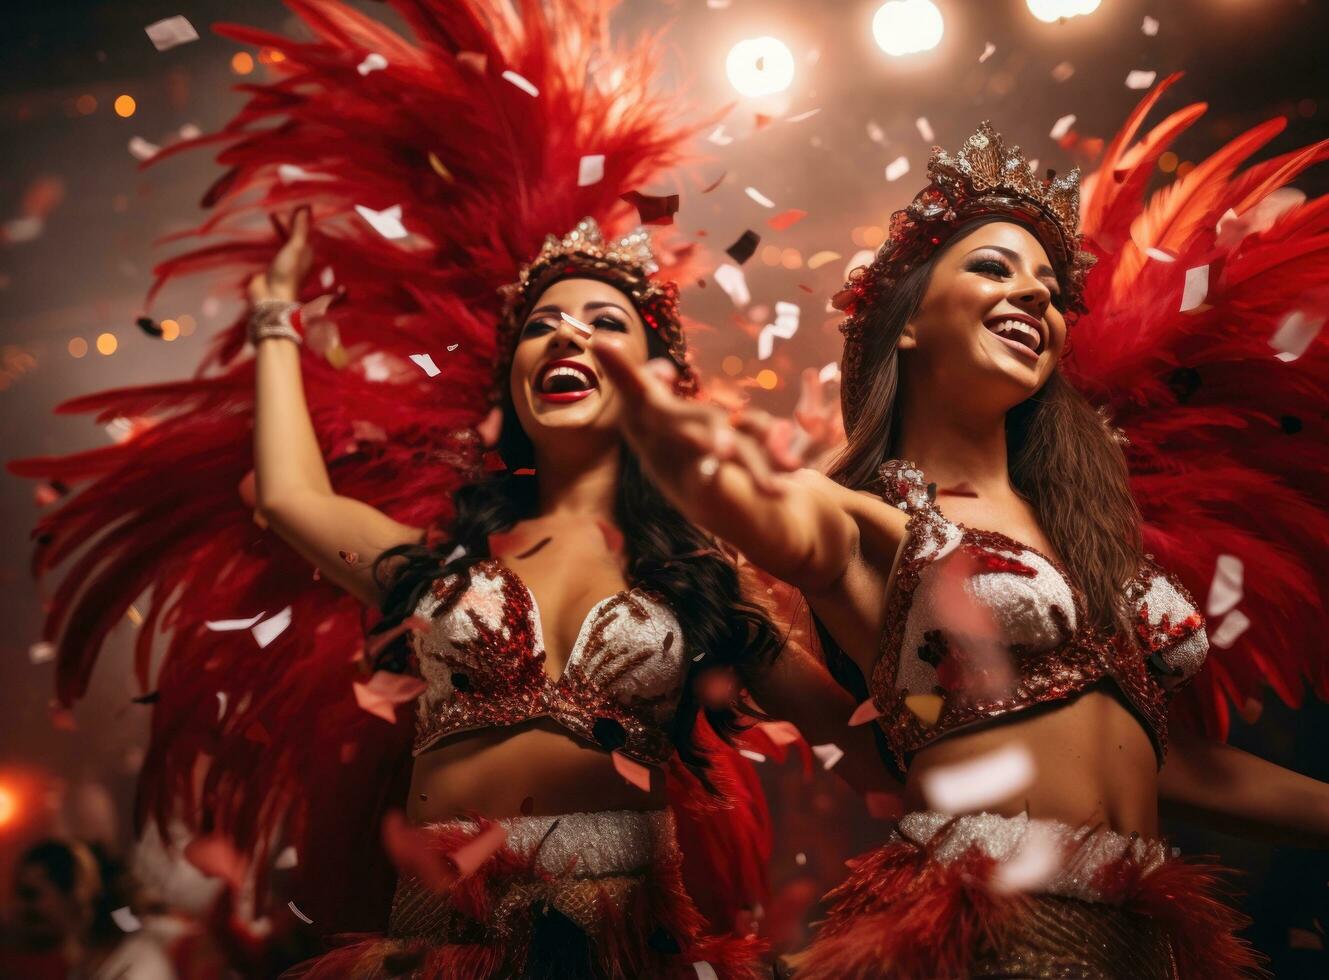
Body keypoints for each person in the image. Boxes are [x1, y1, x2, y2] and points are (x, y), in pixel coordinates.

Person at [11, 2, 880, 976]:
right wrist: (272, 320)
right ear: (511, 382)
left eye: (603, 320)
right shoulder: (441, 562)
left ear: (659, 377)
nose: (567, 337)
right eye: (543, 327)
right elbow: (293, 497)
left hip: (632, 951)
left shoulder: (701, 580)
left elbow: (868, 739)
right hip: (439, 951)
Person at [589, 79, 1329, 978]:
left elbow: (1179, 766)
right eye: (990, 267)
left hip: (1149, 944)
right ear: (906, 323)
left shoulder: (1095, 535)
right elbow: (780, 516)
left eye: (1050, 290)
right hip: (996, 941)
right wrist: (694, 458)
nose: (1031, 297)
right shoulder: (874, 519)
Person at [2, 839, 176, 980]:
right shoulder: (83, 970)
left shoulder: (137, 964)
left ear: (76, 892)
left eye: (30, 894)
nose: (19, 907)